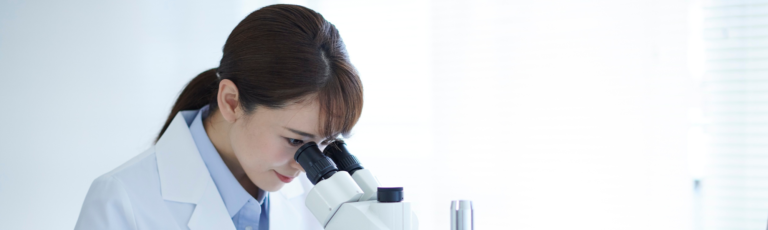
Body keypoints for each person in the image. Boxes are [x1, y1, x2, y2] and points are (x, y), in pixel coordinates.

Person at [74, 4, 363, 230]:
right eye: (294, 140)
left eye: (324, 144)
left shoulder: (315, 199)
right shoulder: (122, 200)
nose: (303, 167)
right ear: (231, 102)